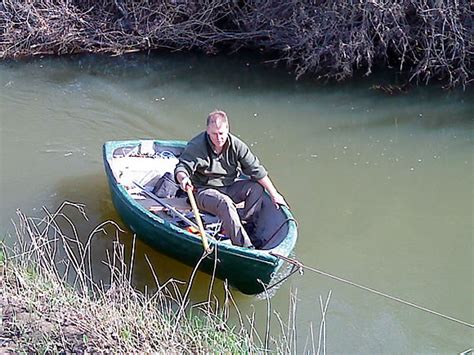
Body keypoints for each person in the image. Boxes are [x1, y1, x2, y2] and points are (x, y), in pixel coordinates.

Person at [174, 110, 288, 248]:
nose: (219, 138)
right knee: (225, 203)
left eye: (221, 133)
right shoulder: (197, 146)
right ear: (208, 131)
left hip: (228, 187)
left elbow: (257, 171)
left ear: (227, 129)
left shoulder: (237, 146)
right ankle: (244, 247)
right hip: (203, 192)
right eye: (214, 134)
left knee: (256, 187)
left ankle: (248, 227)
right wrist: (184, 179)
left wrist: (274, 194)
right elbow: (181, 168)